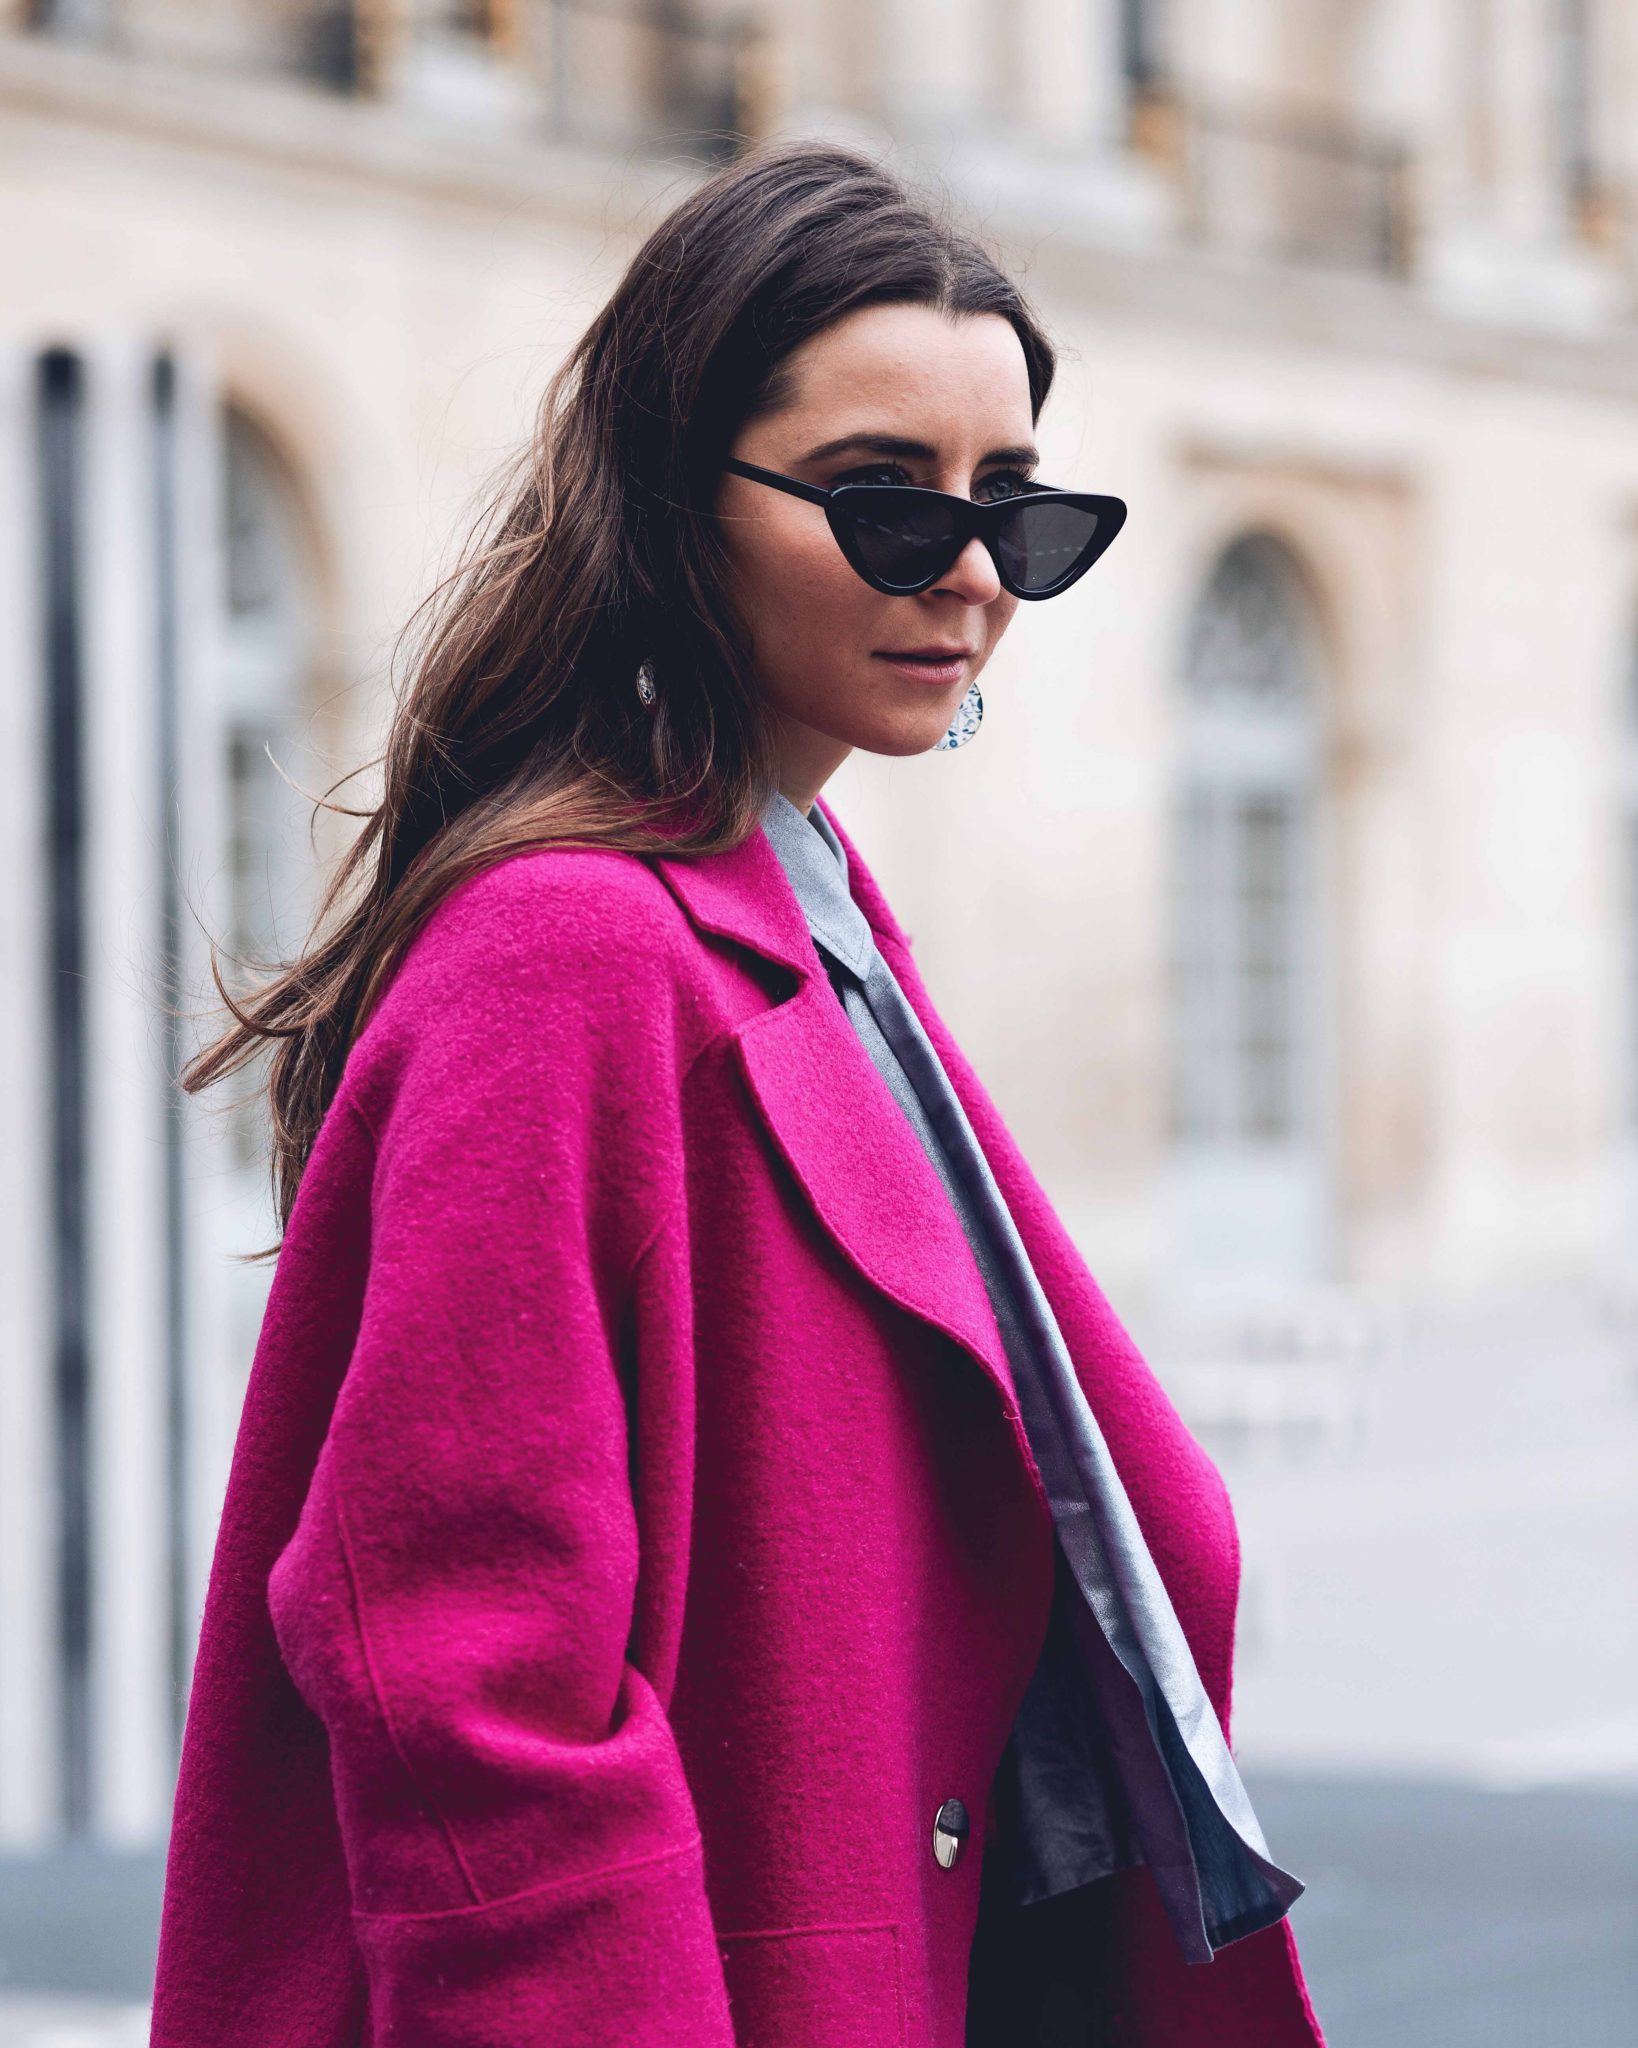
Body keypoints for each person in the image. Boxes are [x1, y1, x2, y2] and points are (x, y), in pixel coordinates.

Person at [150, 141, 1326, 2048]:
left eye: (1010, 510)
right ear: (675, 501)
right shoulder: (571, 950)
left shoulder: (805, 913)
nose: (965, 574)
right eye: (879, 499)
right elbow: (466, 1676)